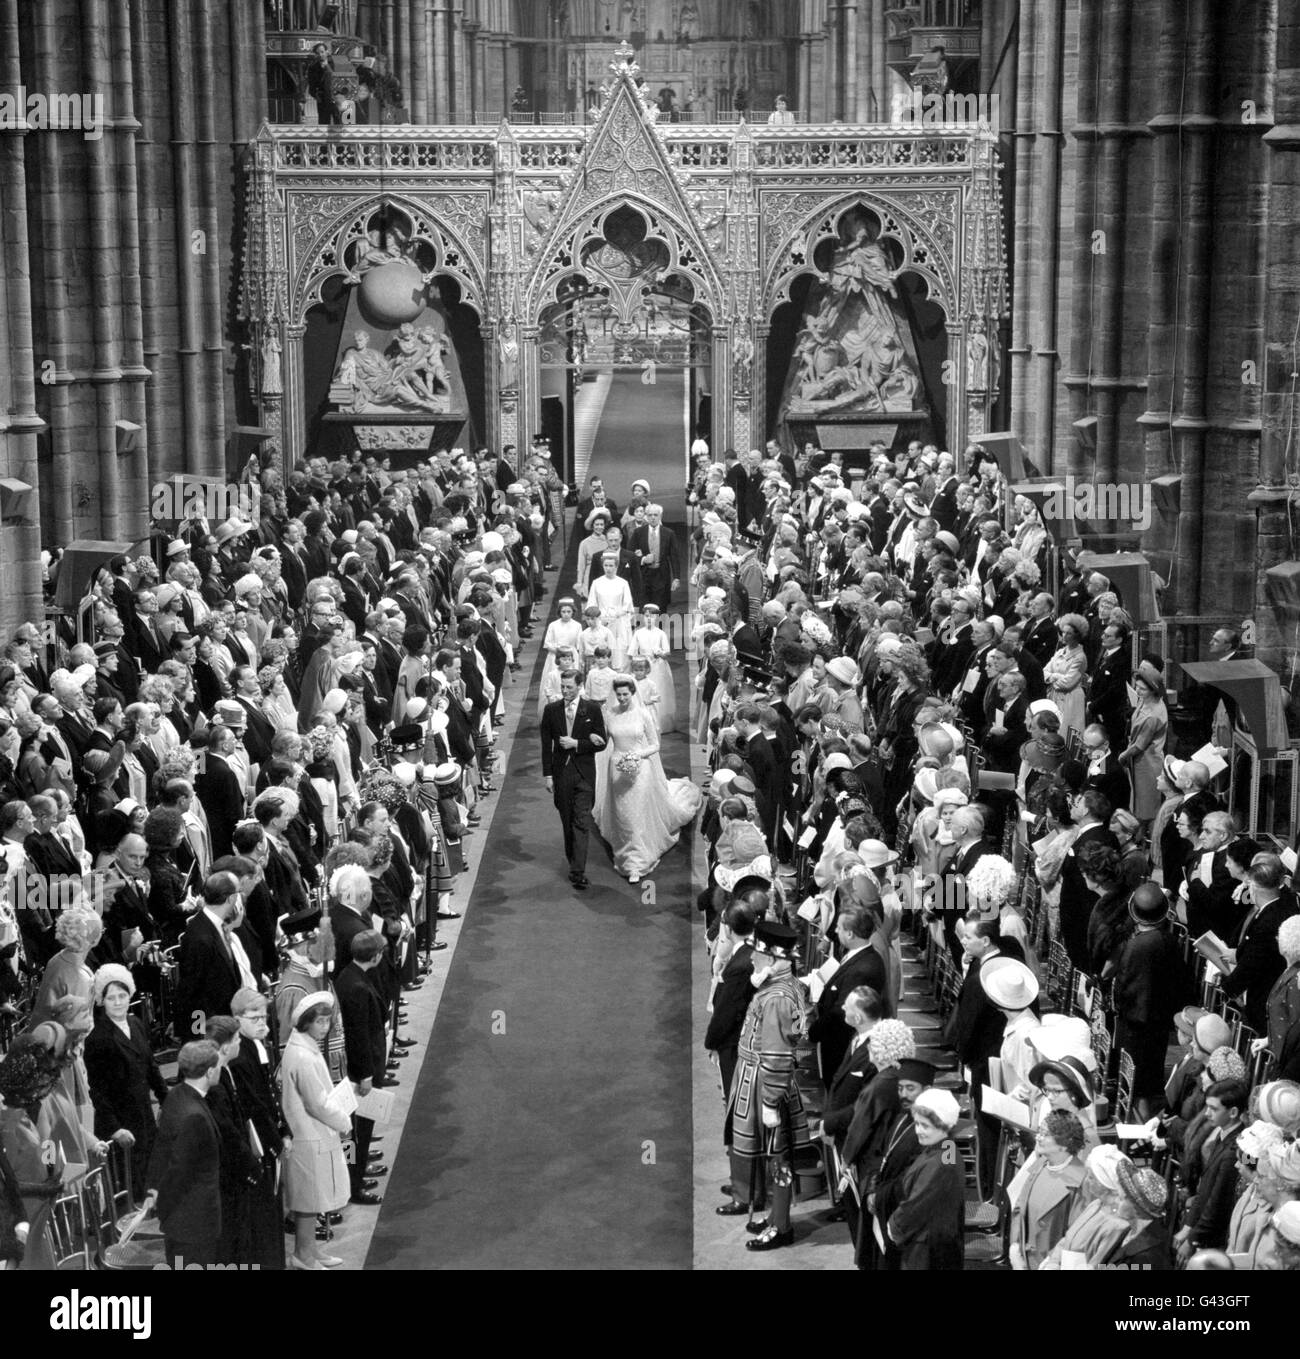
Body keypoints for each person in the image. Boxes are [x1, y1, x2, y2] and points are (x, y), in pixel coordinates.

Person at [718, 921, 813, 1252]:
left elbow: (776, 1053)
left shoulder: (776, 998)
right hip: (761, 1082)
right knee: (775, 1158)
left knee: (779, 1160)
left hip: (767, 1087)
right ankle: (775, 1215)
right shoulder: (782, 986)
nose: (754, 958)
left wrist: (770, 1101)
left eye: (759, 953)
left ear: (773, 957)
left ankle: (781, 1225)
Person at [592, 674, 702, 883]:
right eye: (619, 695)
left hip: (640, 769)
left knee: (637, 813)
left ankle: (637, 862)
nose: (622, 698)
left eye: (626, 694)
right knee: (622, 814)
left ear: (633, 693)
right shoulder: (609, 714)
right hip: (616, 768)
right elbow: (605, 740)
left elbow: (655, 745)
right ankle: (624, 852)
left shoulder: (643, 714)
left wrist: (637, 755)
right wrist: (594, 739)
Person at [83, 963, 168, 1199]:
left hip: (144, 1112)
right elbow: (96, 1090)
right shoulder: (96, 1038)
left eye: (122, 996)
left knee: (151, 1171)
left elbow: (151, 1065)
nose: (118, 1002)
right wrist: (114, 1128)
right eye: (112, 998)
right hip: (120, 1119)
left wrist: (165, 1098)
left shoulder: (136, 1024)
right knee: (130, 1180)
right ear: (102, 1000)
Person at [280, 994, 351, 1270]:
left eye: (327, 1021)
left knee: (313, 1197)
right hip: (308, 1134)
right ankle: (303, 1255)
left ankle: (311, 1251)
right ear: (306, 1022)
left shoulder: (305, 1047)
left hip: (313, 1133)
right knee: (308, 1200)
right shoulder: (302, 1056)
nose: (325, 1026)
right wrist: (343, 1121)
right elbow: (316, 1103)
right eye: (320, 1021)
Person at [143, 1039, 223, 1269]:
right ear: (209, 1072)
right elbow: (179, 1171)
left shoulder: (177, 1095)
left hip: (181, 1220)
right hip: (193, 1221)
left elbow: (162, 1149)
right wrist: (162, 1201)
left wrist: (154, 1189)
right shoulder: (194, 1116)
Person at [335, 927, 390, 1207]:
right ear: (376, 955)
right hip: (361, 1073)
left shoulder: (350, 975)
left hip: (361, 1068)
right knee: (358, 1131)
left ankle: (358, 1173)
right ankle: (354, 1186)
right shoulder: (356, 987)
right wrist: (367, 1074)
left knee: (360, 1131)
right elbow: (358, 1035)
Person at [539, 668, 607, 891]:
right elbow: (546, 746)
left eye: (569, 687)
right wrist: (548, 775)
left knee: (581, 821)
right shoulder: (551, 711)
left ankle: (578, 871)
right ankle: (573, 862)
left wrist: (577, 744)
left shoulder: (593, 709)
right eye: (563, 687)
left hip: (584, 774)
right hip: (561, 775)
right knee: (568, 822)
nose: (565, 691)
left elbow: (602, 743)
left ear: (580, 686)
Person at [886, 1088, 965, 1270]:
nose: (918, 1131)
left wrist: (894, 1227)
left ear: (943, 1125)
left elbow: (917, 1204)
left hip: (928, 1248)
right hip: (938, 1239)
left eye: (925, 1126)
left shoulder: (941, 1163)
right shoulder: (946, 1147)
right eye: (917, 1124)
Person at [1009, 1109, 1088, 1270]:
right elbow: (1019, 1207)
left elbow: (1076, 1235)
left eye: (1045, 1134)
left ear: (1063, 1144)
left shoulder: (1080, 1181)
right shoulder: (1040, 1164)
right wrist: (1014, 1246)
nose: (1038, 1137)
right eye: (1039, 1132)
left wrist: (1053, 1262)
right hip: (1025, 1260)